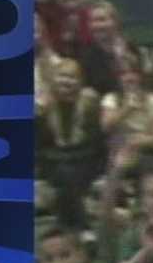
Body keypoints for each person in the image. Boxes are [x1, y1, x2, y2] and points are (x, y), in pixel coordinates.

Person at [35, 58, 106, 231]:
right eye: (62, 76)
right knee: (65, 176)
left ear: (80, 82)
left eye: (72, 77)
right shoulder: (42, 105)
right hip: (52, 163)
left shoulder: (89, 104)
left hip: (85, 160)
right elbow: (36, 146)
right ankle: (83, 229)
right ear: (53, 79)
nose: (66, 81)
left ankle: (66, 229)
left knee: (67, 179)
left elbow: (94, 142)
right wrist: (38, 116)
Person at [100, 52, 153, 166]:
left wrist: (135, 142)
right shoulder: (111, 99)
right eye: (123, 74)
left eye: (133, 73)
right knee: (120, 159)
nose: (129, 78)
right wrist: (127, 109)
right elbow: (105, 127)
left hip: (147, 151)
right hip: (118, 150)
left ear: (140, 76)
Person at [75, 1, 153, 98]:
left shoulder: (131, 47)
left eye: (101, 20)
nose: (97, 25)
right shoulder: (87, 55)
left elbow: (145, 80)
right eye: (92, 21)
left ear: (115, 22)